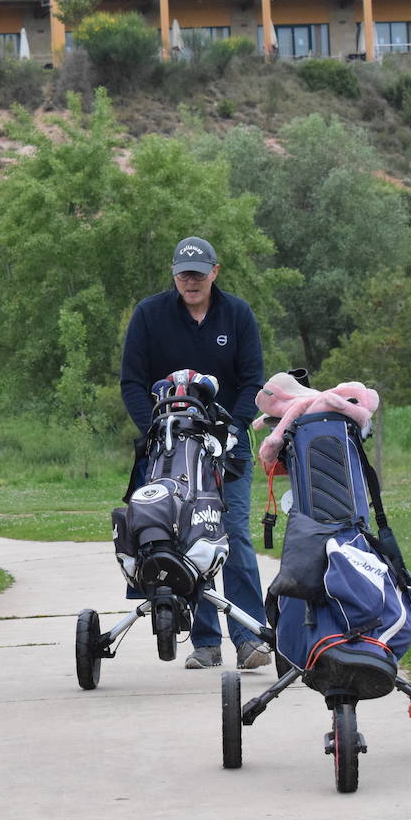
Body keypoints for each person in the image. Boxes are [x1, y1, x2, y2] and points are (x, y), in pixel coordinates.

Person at [119, 237, 271, 670]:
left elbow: (252, 382)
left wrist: (232, 429)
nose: (192, 281)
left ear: (215, 272)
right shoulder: (149, 315)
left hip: (225, 447)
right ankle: (204, 642)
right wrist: (154, 427)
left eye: (199, 273)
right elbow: (132, 381)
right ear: (174, 274)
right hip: (167, 447)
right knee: (182, 536)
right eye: (184, 274)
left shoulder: (237, 314)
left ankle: (250, 637)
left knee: (233, 535)